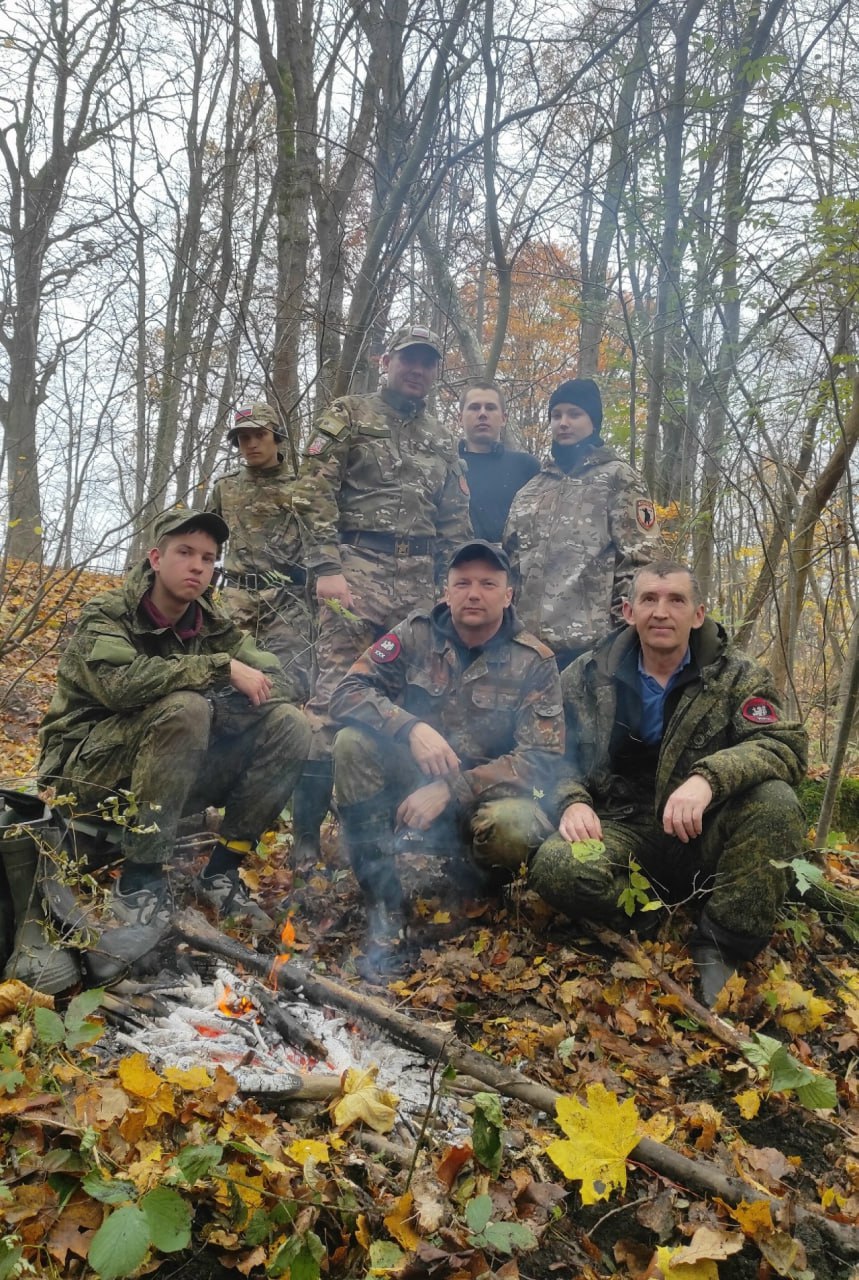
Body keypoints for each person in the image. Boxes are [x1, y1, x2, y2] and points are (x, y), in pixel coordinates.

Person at [528, 561, 808, 1006]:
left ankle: (722, 946)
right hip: (620, 825)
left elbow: (783, 746)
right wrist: (570, 802)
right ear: (628, 611)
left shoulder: (737, 676)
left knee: (776, 801)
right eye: (649, 600)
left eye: (676, 600)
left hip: (703, 829)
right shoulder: (586, 675)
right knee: (557, 865)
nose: (662, 612)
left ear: (698, 614)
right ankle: (646, 917)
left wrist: (709, 779)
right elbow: (548, 756)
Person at [37, 507, 311, 936]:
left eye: (208, 558)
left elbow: (286, 681)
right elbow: (119, 687)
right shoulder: (108, 613)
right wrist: (220, 670)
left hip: (172, 765)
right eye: (185, 552)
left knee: (289, 723)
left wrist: (221, 701)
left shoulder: (212, 623)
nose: (198, 566)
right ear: (156, 558)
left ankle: (221, 872)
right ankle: (140, 880)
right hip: (88, 774)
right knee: (188, 708)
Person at [330, 539, 564, 965]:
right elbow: (346, 693)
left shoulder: (534, 660)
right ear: (446, 591)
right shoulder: (415, 634)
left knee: (515, 826)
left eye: (488, 584)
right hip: (410, 782)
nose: (474, 593)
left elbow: (542, 758)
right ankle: (383, 899)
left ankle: (481, 894)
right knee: (352, 744)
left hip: (486, 797)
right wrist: (410, 726)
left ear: (508, 594)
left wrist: (451, 788)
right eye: (463, 583)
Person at [289, 323, 472, 864]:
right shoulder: (349, 415)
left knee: (409, 702)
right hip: (356, 571)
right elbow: (312, 490)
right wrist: (326, 565)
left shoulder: (442, 438)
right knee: (331, 700)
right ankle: (304, 837)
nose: (417, 370)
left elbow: (455, 520)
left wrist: (453, 588)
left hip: (419, 583)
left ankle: (372, 836)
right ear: (384, 360)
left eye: (428, 363)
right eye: (408, 360)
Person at [503, 377, 661, 669]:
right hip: (525, 650)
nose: (564, 422)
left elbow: (641, 562)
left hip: (590, 651)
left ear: (593, 421)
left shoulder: (618, 478)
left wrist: (619, 635)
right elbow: (510, 563)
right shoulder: (532, 489)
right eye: (556, 415)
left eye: (574, 414)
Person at [208, 402, 312, 705]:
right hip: (237, 600)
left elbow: (322, 543)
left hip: (287, 603)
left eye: (259, 435)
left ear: (276, 437)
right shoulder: (225, 488)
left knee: (288, 686)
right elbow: (206, 544)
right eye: (243, 438)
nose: (251, 444)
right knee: (228, 685)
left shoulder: (301, 488)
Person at [456, 381, 539, 543]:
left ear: (504, 418)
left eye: (490, 407)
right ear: (460, 418)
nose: (482, 414)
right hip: (455, 564)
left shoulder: (527, 467)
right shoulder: (446, 467)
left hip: (512, 564)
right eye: (474, 407)